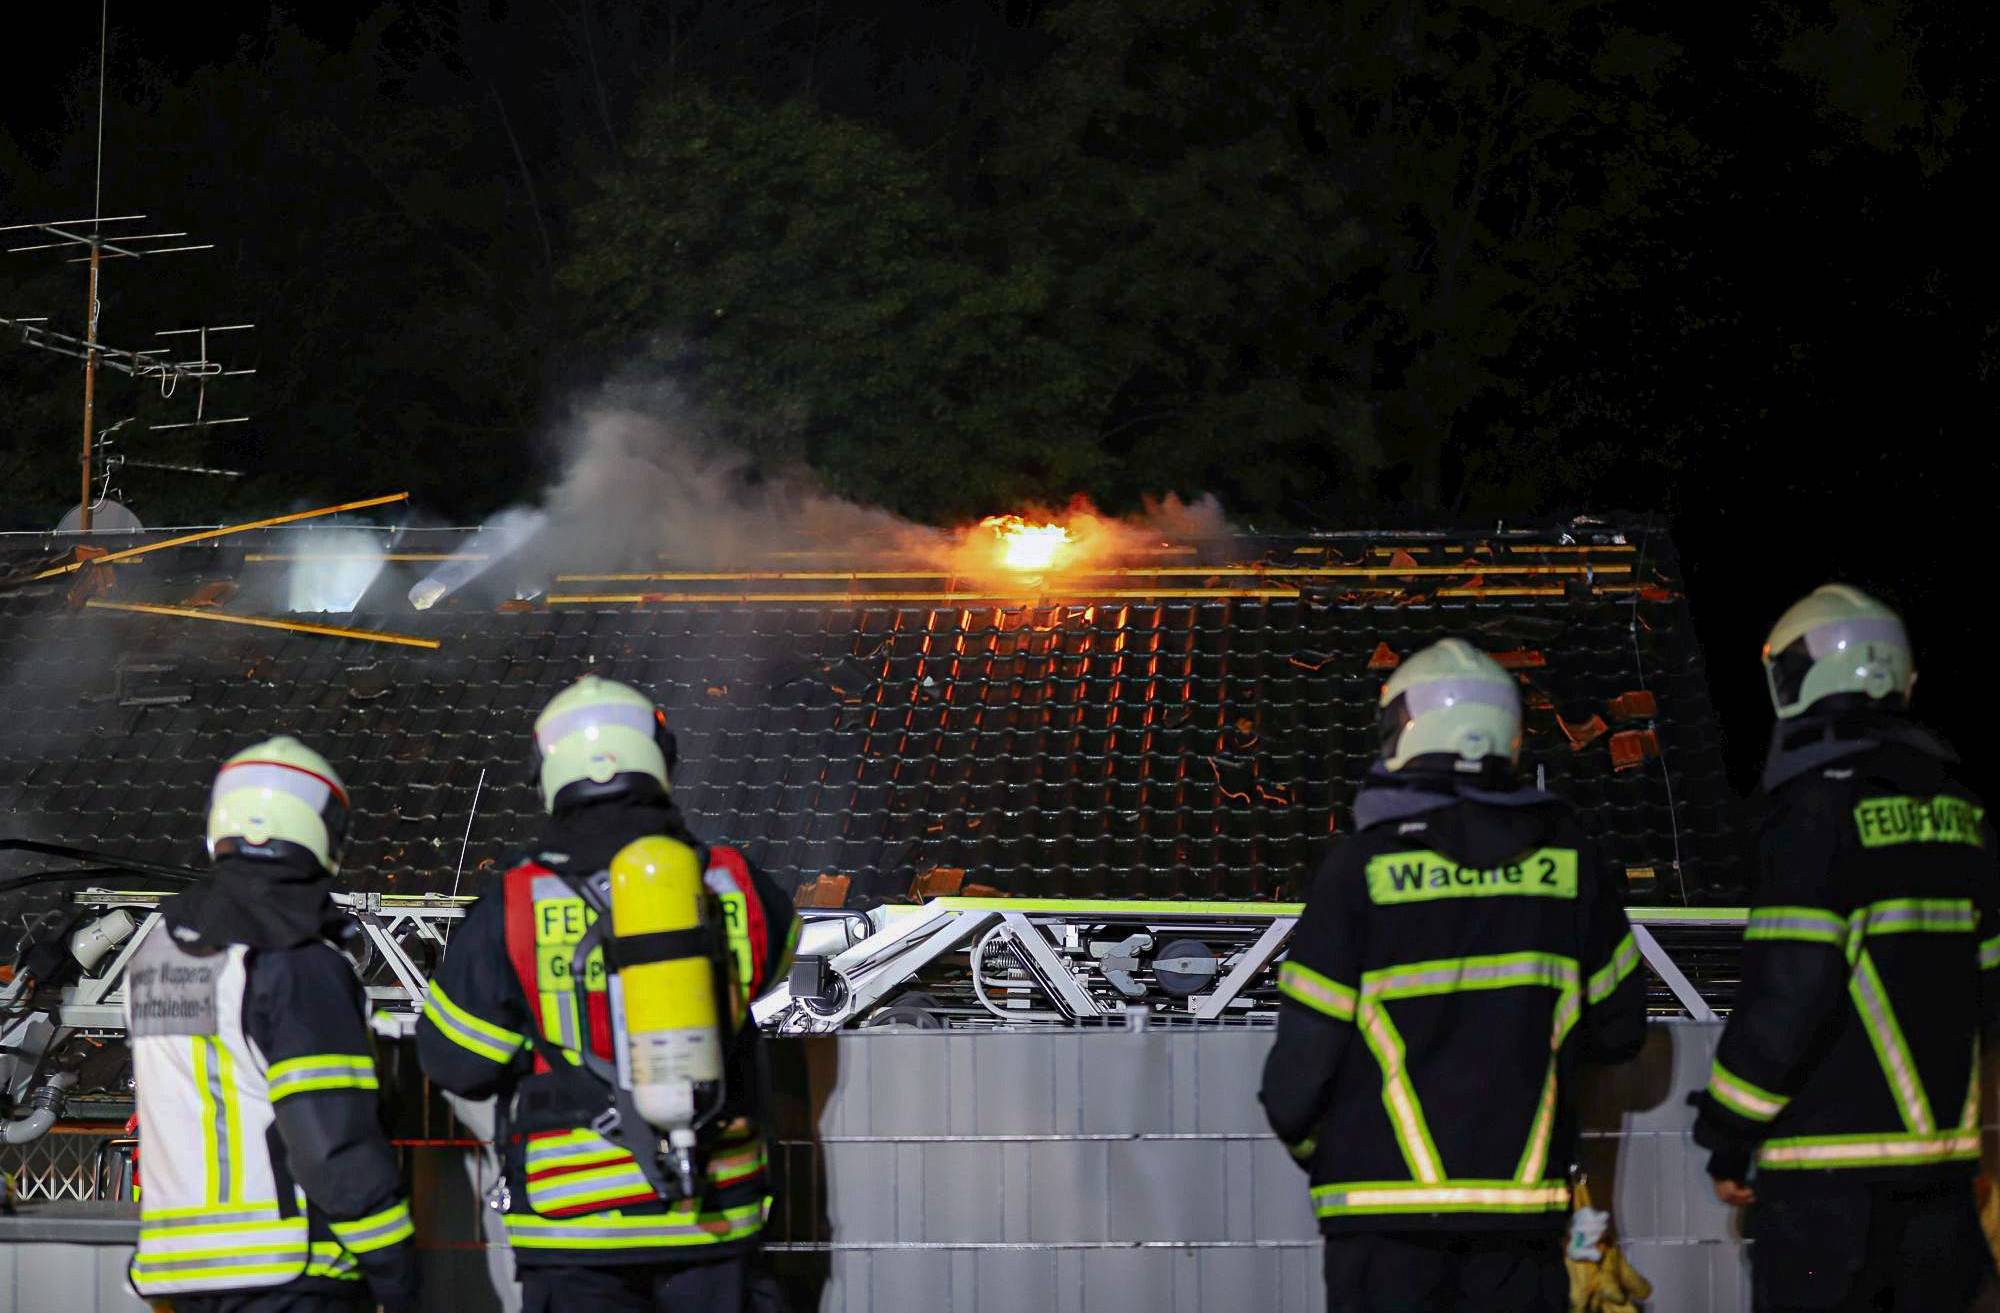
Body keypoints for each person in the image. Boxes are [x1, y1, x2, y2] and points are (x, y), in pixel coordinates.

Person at [1260, 638, 1648, 1313]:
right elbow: (1619, 1032)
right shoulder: (1570, 863)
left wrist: (1329, 1149)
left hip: (1381, 1217)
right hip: (1520, 1216)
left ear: (1406, 729)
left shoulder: (1360, 868)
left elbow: (1297, 1073)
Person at [417, 675, 799, 1313]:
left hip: (576, 1232)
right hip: (715, 1217)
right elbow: (774, 963)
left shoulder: (515, 901)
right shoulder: (732, 881)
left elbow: (457, 1062)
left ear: (550, 772)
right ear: (659, 759)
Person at [1692, 584, 1998, 1311]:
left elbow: (1788, 994)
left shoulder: (1815, 810)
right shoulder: (1965, 814)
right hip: (1943, 1189)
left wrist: (1727, 1131)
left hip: (1826, 1197)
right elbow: (1989, 994)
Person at [125, 736, 419, 1311]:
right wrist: (395, 1266)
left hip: (180, 1273)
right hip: (289, 1270)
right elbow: (330, 1143)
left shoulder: (157, 952)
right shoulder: (295, 961)